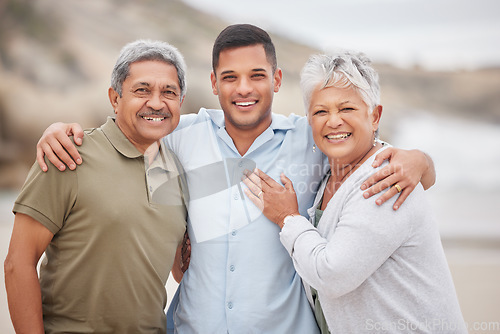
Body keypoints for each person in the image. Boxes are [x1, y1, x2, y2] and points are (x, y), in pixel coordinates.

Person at [35, 25, 436, 333]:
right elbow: (127, 129)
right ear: (213, 84)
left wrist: (421, 160)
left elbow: (367, 150)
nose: (244, 89)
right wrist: (59, 129)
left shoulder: (310, 139)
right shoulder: (180, 136)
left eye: (257, 75)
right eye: (230, 77)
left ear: (277, 81)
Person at [243, 51, 466, 333]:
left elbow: (331, 275)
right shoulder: (329, 173)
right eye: (321, 111)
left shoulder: (385, 179)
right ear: (309, 120)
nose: (333, 121)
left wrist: (287, 217)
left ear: (374, 116)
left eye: (346, 109)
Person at [4, 40, 189, 333]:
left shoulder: (178, 173)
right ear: (115, 98)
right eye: (142, 90)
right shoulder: (67, 155)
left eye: (169, 92)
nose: (156, 102)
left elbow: (180, 269)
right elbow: (18, 264)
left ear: (180, 103)